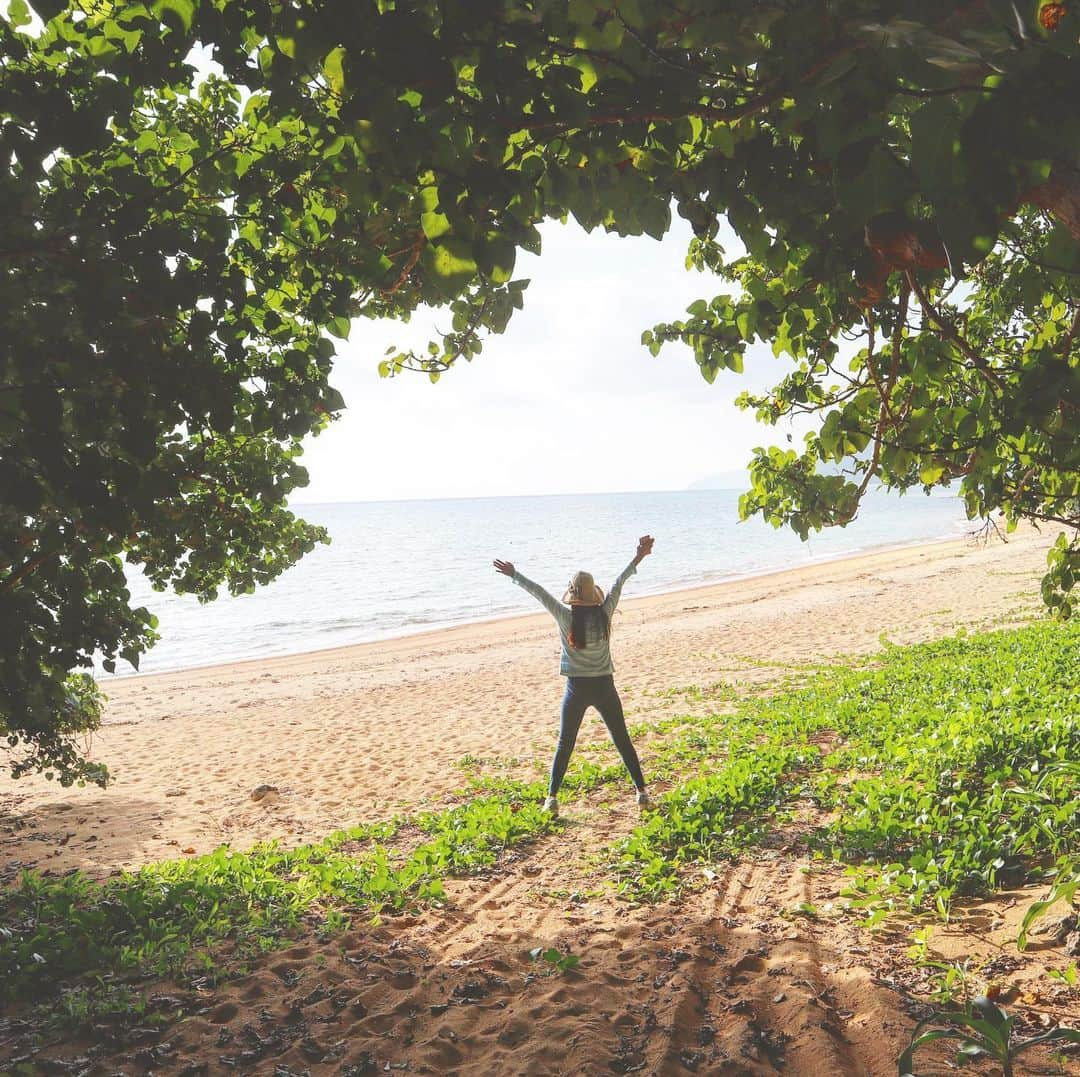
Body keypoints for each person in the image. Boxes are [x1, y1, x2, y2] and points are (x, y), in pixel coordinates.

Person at [493, 535, 655, 817]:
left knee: (565, 743)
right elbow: (619, 583)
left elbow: (540, 593)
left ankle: (552, 799)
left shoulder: (566, 618)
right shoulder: (605, 614)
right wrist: (639, 557)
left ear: (573, 597)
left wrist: (515, 575)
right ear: (594, 596)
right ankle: (641, 792)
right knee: (622, 738)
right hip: (605, 686)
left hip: (576, 689)